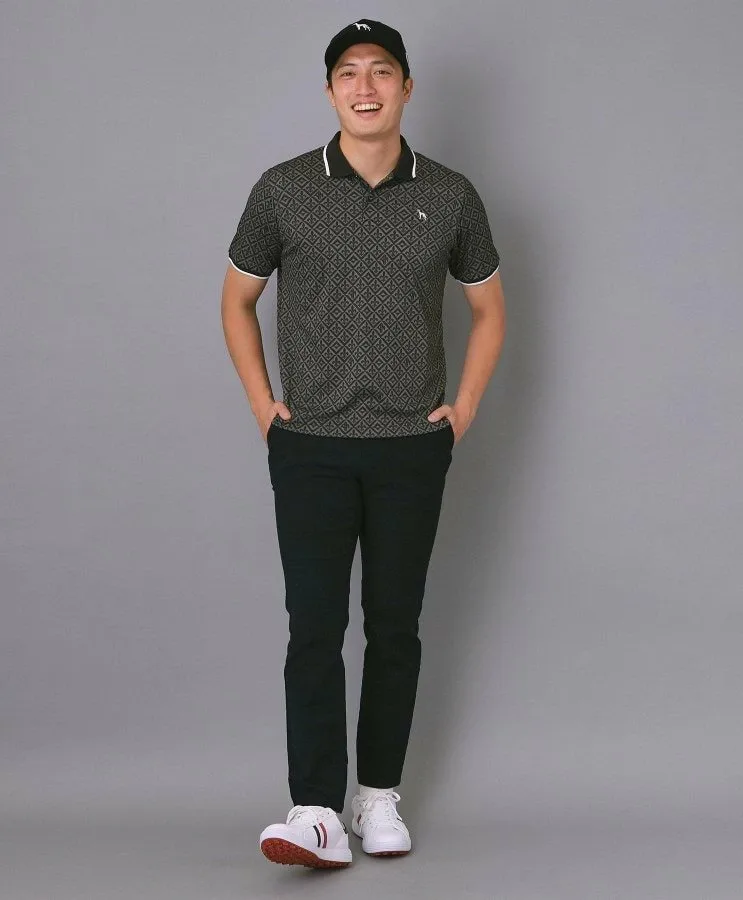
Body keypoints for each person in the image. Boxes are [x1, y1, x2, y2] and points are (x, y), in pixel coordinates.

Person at [221, 18, 505, 869]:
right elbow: (236, 300)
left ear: (407, 87)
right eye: (349, 72)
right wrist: (264, 407)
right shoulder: (283, 190)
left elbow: (490, 310)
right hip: (308, 443)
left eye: (382, 71)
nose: (365, 87)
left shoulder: (449, 195)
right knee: (313, 626)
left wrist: (463, 408)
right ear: (330, 90)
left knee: (395, 626)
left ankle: (377, 795)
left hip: (411, 447)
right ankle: (314, 810)